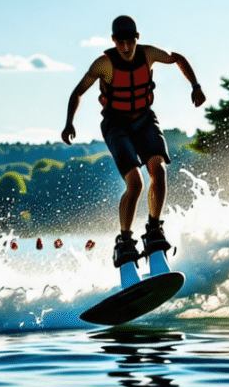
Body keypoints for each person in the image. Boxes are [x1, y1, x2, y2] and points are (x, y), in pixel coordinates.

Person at [62, 15, 205, 267]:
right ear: (113, 40)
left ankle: (153, 229)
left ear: (137, 38)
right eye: (121, 43)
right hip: (116, 125)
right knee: (135, 183)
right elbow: (78, 91)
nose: (126, 48)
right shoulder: (103, 64)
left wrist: (195, 85)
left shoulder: (148, 54)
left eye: (130, 42)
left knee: (158, 171)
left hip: (144, 120)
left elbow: (177, 58)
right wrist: (69, 123)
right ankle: (125, 241)